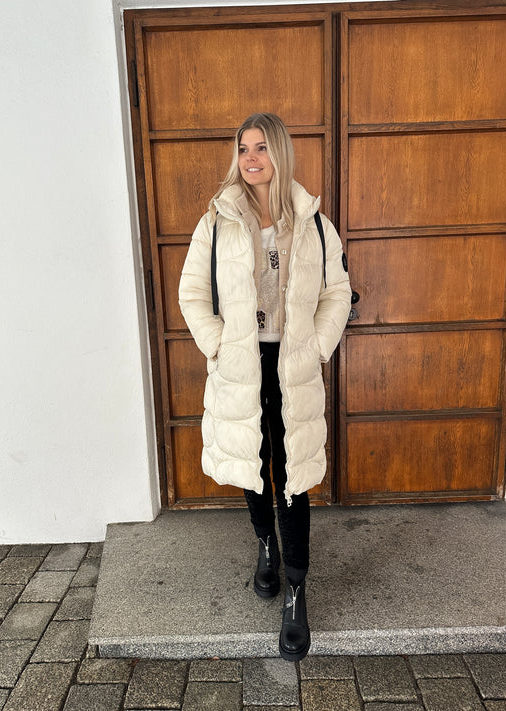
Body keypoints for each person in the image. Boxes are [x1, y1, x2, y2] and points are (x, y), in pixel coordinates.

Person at [178, 113, 351, 661]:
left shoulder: (314, 223)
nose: (251, 158)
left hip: (291, 365)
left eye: (261, 148)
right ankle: (266, 546)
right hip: (242, 363)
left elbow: (337, 292)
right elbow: (191, 293)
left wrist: (317, 347)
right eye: (243, 148)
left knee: (292, 476)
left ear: (280, 153)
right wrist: (219, 345)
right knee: (253, 464)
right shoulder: (217, 220)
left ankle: (296, 589)